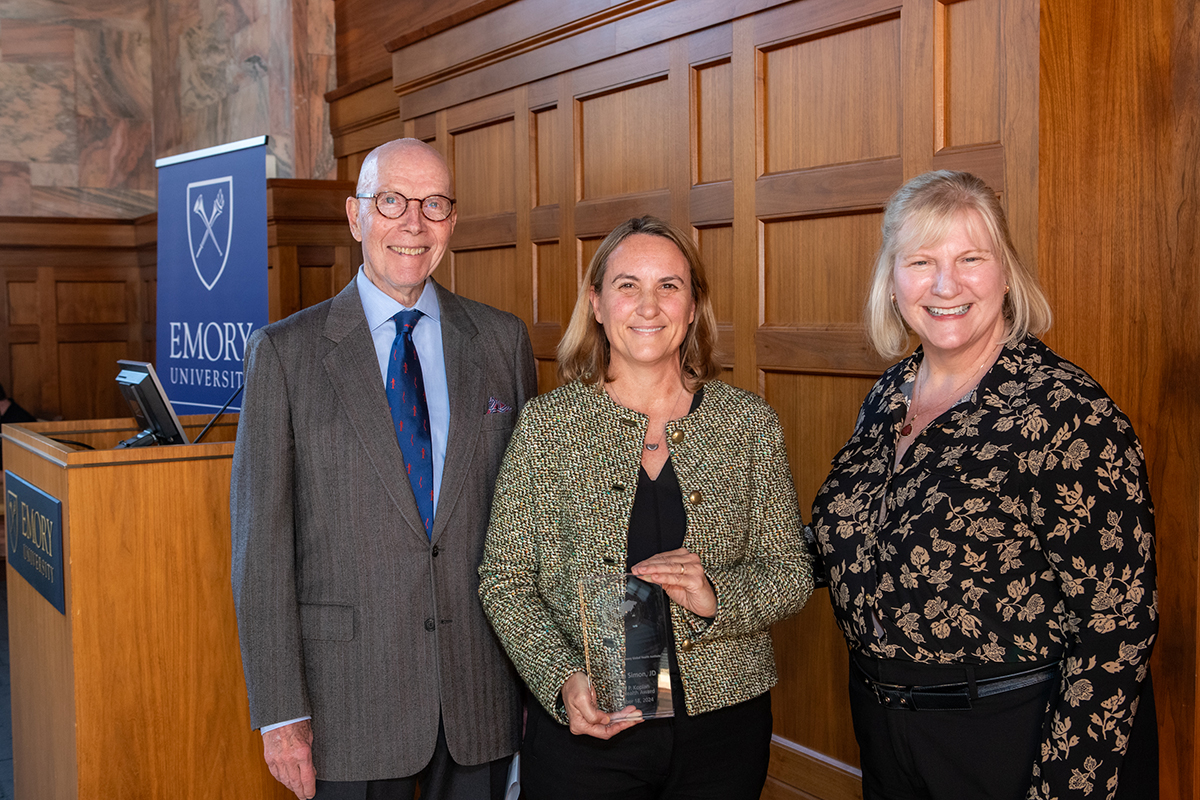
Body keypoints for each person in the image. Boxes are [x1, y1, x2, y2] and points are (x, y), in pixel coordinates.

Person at [810, 171, 1158, 800]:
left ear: (1006, 276)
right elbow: (869, 541)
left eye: (971, 258)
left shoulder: (1064, 412)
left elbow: (1116, 623)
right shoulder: (891, 394)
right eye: (921, 261)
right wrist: (727, 575)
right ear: (893, 283)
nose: (946, 285)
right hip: (889, 731)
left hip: (1014, 738)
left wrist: (1062, 790)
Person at [231, 138, 537, 800]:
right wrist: (282, 716)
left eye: (434, 204)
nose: (413, 224)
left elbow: (530, 527)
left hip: (481, 694)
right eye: (392, 201)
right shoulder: (285, 355)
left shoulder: (501, 342)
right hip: (350, 702)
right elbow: (261, 551)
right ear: (355, 215)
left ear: (451, 223)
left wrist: (539, 676)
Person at [478, 215, 813, 799]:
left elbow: (790, 572)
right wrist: (560, 681)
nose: (649, 306)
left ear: (693, 307)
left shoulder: (747, 423)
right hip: (592, 729)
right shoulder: (547, 428)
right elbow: (504, 582)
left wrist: (717, 596)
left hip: (724, 729)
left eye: (669, 286)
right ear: (598, 305)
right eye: (627, 285)